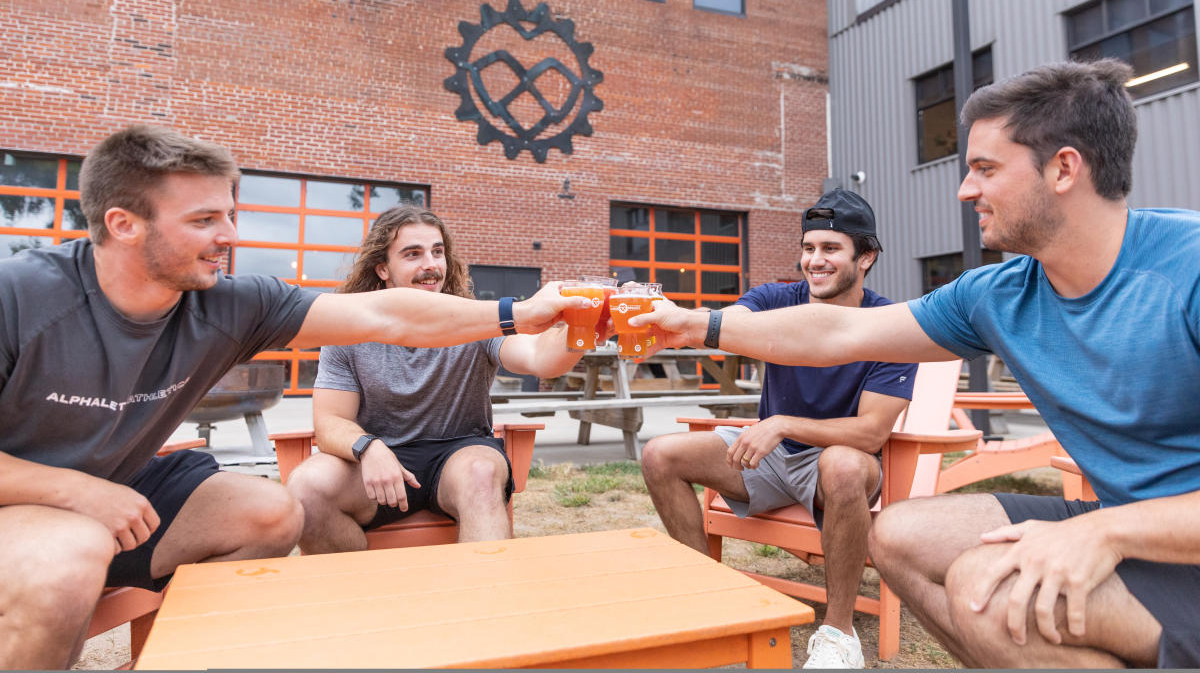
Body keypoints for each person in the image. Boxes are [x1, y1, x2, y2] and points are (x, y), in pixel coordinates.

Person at [635, 58, 1200, 669]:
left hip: (1166, 541)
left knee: (984, 589)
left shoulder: (1186, 271)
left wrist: (1104, 534)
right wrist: (698, 324)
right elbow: (840, 331)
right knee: (902, 536)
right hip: (1127, 526)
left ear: (1064, 168)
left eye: (986, 169)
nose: (965, 190)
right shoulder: (1000, 294)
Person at [0, 125, 586, 669]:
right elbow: (333, 418)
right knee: (68, 559)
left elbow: (389, 314)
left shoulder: (230, 304)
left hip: (123, 490)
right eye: (204, 219)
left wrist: (520, 314)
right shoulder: (20, 296)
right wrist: (78, 492)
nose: (229, 236)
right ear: (124, 224)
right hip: (24, 501)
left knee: (271, 511)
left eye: (230, 214)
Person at [640, 189, 916, 669]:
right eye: (809, 248)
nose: (815, 260)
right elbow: (730, 322)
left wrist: (783, 422)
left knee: (847, 466)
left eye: (831, 249)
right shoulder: (776, 298)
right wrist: (683, 321)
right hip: (770, 459)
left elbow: (871, 434)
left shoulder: (890, 325)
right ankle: (712, 600)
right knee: (660, 453)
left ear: (865, 257)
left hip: (834, 464)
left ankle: (838, 632)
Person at [286, 207, 600, 551]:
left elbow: (540, 358)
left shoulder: (476, 319)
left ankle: (487, 599)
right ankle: (359, 598)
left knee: (480, 473)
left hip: (460, 452)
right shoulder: (348, 328)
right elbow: (330, 421)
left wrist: (583, 329)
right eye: (413, 254)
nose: (431, 264)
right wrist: (367, 447)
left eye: (438, 251)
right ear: (382, 269)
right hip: (380, 460)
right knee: (307, 487)